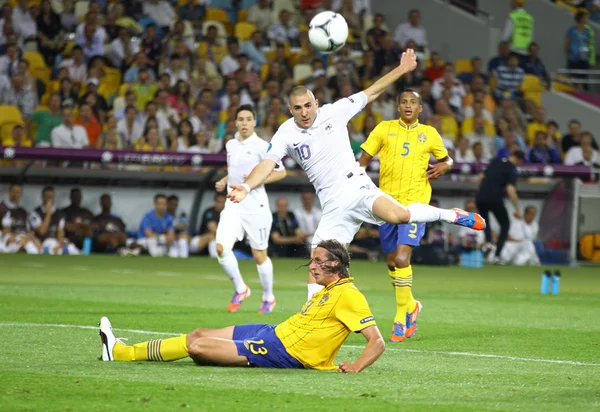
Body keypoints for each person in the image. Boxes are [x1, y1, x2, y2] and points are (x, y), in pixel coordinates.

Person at [228, 49, 485, 300]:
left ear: (316, 103)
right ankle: (311, 323)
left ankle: (452, 215)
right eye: (298, 108)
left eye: (308, 105)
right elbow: (267, 164)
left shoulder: (335, 111)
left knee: (400, 215)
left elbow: (372, 91)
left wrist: (402, 69)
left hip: (356, 188)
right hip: (332, 205)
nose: (304, 112)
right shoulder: (285, 133)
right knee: (317, 266)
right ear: (290, 109)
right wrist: (247, 187)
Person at [99, 239, 386, 373]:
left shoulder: (349, 294)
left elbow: (377, 342)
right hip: (273, 332)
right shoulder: (328, 290)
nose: (311, 266)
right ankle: (120, 352)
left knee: (199, 348)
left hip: (282, 352)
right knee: (198, 334)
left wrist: (357, 365)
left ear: (334, 263)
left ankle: (121, 354)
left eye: (315, 260)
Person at [358, 88, 453, 342]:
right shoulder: (383, 129)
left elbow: (448, 160)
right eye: (404, 102)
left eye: (413, 102)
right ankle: (412, 305)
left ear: (420, 108)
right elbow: (363, 161)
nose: (408, 106)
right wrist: (358, 185)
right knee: (391, 262)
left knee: (401, 259)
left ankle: (400, 317)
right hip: (387, 205)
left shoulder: (429, 134)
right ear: (398, 107)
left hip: (415, 207)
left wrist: (445, 165)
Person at [213, 105, 286, 314]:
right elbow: (235, 171)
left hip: (256, 206)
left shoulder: (263, 146)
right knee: (221, 248)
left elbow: (281, 173)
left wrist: (254, 180)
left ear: (255, 122)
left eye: (248, 119)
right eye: (240, 119)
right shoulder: (230, 144)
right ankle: (241, 288)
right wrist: (225, 180)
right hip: (233, 204)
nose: (244, 123)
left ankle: (268, 297)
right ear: (235, 122)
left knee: (259, 254)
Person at [475, 150, 525, 264]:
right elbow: (510, 189)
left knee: (484, 220)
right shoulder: (512, 169)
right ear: (519, 160)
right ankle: (497, 255)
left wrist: (479, 193)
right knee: (505, 224)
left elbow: (481, 177)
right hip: (495, 198)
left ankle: (488, 242)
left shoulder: (495, 162)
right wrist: (517, 208)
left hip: (481, 197)